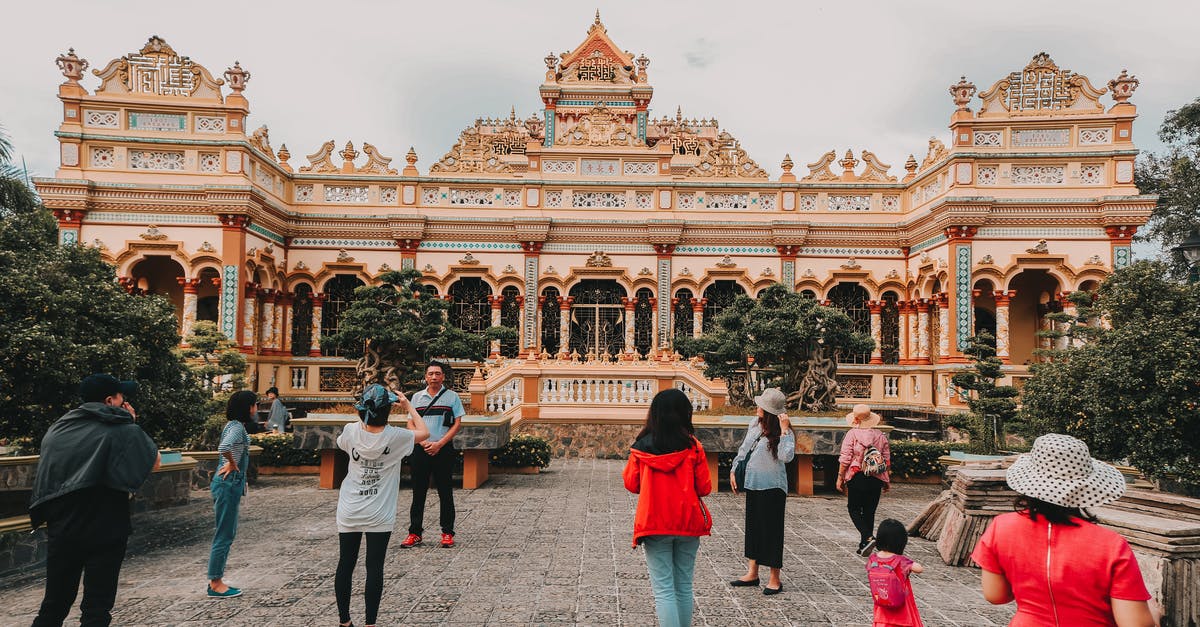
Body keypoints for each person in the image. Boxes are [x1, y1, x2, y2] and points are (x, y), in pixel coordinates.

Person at [971, 433, 1157, 627]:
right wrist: (1154, 612)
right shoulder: (1111, 544)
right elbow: (1135, 624)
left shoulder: (1001, 527)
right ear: (1087, 487)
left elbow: (996, 595)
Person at [29, 373, 161, 627]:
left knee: (54, 603)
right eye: (123, 397)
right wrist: (131, 423)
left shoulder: (59, 427)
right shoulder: (123, 429)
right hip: (106, 523)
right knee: (97, 607)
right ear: (110, 400)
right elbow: (154, 462)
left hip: (63, 524)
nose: (126, 402)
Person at [336, 383, 429, 627]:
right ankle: (370, 624)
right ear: (388, 411)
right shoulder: (397, 437)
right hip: (379, 511)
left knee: (346, 563)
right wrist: (409, 406)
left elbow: (342, 443)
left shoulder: (350, 431)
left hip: (350, 508)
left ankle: (344, 622)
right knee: (374, 566)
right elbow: (424, 432)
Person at [622, 388, 713, 627]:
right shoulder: (694, 447)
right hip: (687, 521)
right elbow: (704, 487)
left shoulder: (641, 448)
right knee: (683, 585)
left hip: (655, 523)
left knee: (663, 589)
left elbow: (631, 484)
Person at [729, 387, 794, 596]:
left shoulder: (784, 432)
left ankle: (775, 577)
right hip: (753, 483)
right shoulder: (754, 424)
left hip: (773, 487)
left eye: (762, 406)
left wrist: (784, 431)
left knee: (772, 532)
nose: (758, 407)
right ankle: (752, 572)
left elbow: (786, 457)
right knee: (754, 528)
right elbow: (744, 449)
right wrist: (734, 469)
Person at [401, 361, 466, 549]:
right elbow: (411, 423)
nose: (434, 377)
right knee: (418, 492)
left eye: (438, 373)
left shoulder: (452, 397)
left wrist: (439, 444)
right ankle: (414, 532)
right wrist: (422, 442)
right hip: (421, 449)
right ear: (425, 376)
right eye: (431, 374)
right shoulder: (417, 398)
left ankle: (447, 532)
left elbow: (457, 423)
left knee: (445, 491)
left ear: (443, 376)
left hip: (443, 449)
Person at [206, 390, 258, 598]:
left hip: (228, 484)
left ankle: (216, 580)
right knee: (225, 534)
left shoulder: (234, 426)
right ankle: (216, 582)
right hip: (228, 484)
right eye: (253, 405)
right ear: (247, 408)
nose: (255, 409)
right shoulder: (237, 427)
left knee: (226, 532)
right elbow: (224, 447)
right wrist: (233, 463)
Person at [837, 403, 892, 556]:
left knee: (853, 508)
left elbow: (845, 459)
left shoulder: (852, 435)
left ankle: (867, 537)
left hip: (857, 476)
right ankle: (864, 544)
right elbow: (886, 460)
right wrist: (886, 480)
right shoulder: (880, 436)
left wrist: (840, 477)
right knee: (869, 511)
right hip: (876, 477)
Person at [866, 518, 924, 627]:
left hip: (882, 606)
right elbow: (919, 569)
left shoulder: (873, 559)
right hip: (901, 607)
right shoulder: (900, 561)